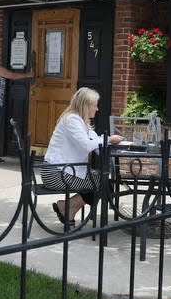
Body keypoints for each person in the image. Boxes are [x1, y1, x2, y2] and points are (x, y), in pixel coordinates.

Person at [42, 87, 123, 225]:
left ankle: (68, 209)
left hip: (65, 171)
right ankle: (66, 207)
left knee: (102, 179)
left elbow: (94, 140)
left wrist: (106, 140)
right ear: (85, 105)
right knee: (104, 184)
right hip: (56, 174)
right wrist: (108, 139)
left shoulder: (80, 121)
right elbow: (86, 145)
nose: (97, 109)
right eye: (94, 105)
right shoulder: (72, 120)